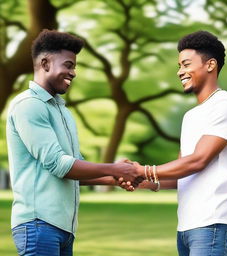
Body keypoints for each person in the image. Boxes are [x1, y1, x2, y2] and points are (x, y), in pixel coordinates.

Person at [6, 29, 144, 256]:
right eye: (68, 65)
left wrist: (115, 178)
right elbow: (60, 165)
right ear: (45, 63)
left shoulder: (62, 111)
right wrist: (115, 168)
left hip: (62, 229)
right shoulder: (29, 105)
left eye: (74, 66)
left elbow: (75, 167)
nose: (73, 72)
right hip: (38, 224)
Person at [120, 31, 227, 256]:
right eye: (179, 66)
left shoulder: (225, 105)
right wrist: (145, 181)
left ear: (210, 65)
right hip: (186, 228)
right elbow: (182, 174)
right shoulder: (191, 116)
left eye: (186, 64)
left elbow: (198, 161)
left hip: (213, 224)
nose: (180, 72)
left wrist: (144, 170)